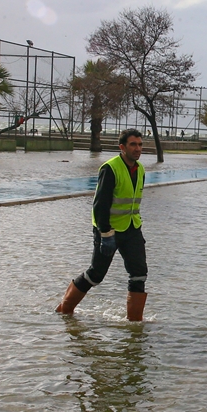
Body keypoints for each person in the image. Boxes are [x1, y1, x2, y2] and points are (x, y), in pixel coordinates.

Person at [56, 129, 150, 320]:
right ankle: (65, 309)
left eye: (140, 144)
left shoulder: (140, 169)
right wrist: (105, 234)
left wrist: (137, 230)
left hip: (132, 229)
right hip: (108, 231)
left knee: (139, 274)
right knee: (96, 274)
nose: (137, 148)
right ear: (122, 147)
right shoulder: (110, 168)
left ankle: (135, 325)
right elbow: (100, 205)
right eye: (133, 144)